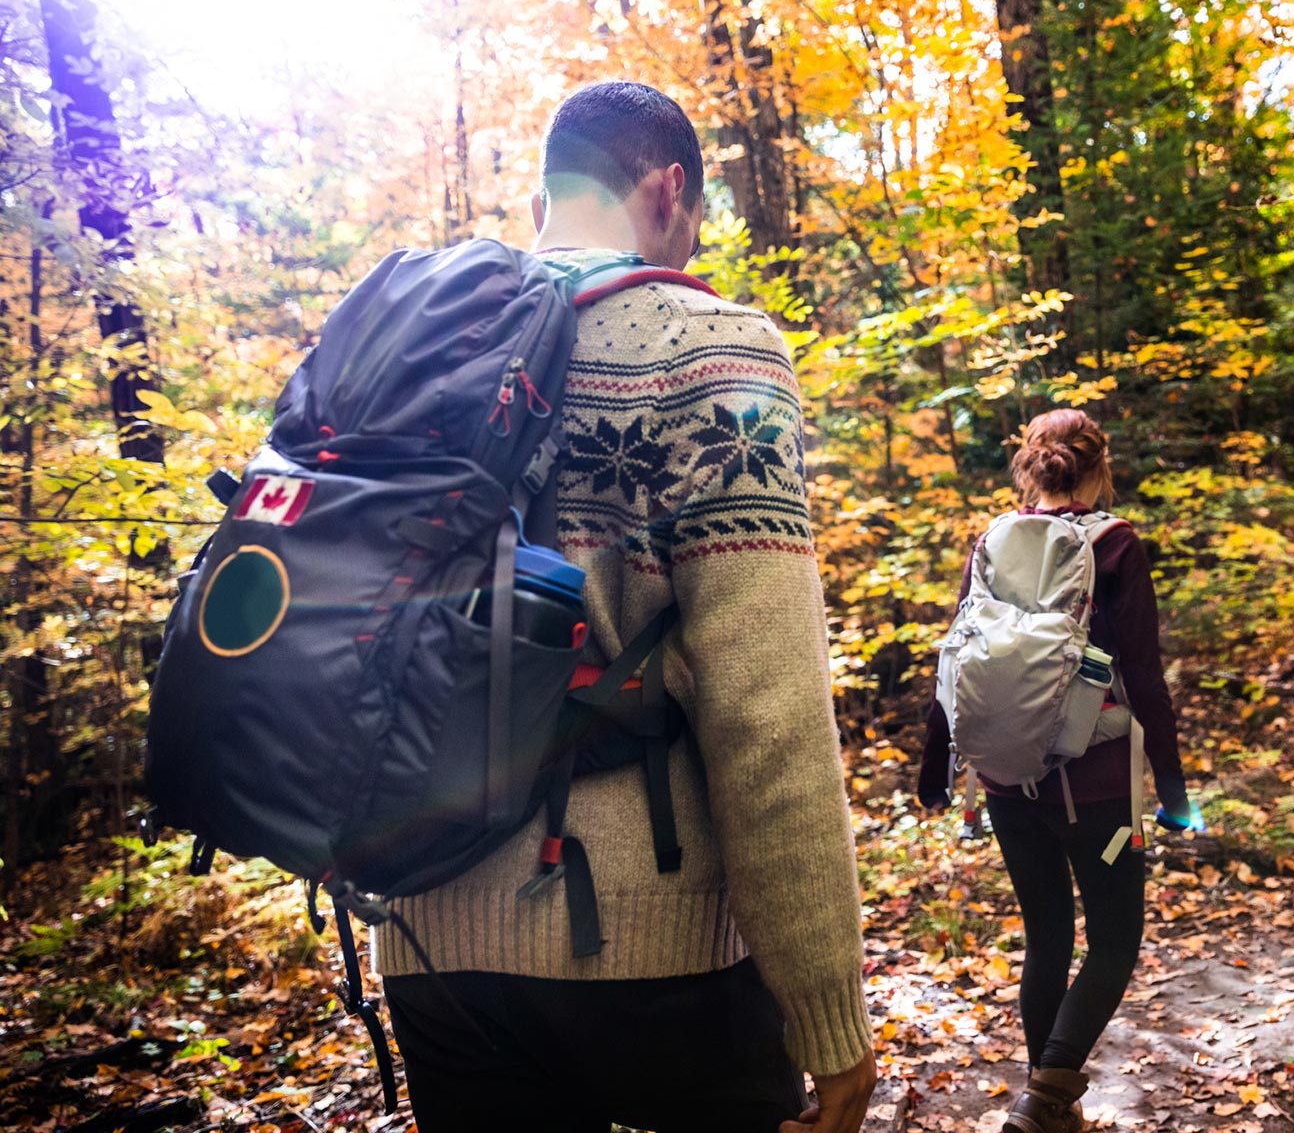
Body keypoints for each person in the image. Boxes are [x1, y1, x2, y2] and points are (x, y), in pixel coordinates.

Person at [373, 82, 876, 1133]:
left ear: (549, 190)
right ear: (669, 190)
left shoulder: (422, 343)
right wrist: (828, 1011)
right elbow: (766, 711)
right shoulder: (713, 349)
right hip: (655, 950)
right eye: (692, 224)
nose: (689, 250)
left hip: (429, 944)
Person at [918, 409, 1190, 1133]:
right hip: (1096, 791)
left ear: (1030, 466)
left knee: (1047, 937)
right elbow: (1144, 675)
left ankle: (1051, 1111)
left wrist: (935, 770)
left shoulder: (993, 539)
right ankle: (1045, 1100)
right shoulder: (1116, 543)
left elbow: (955, 655)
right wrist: (1173, 789)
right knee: (1115, 939)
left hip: (1007, 785)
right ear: (1101, 468)